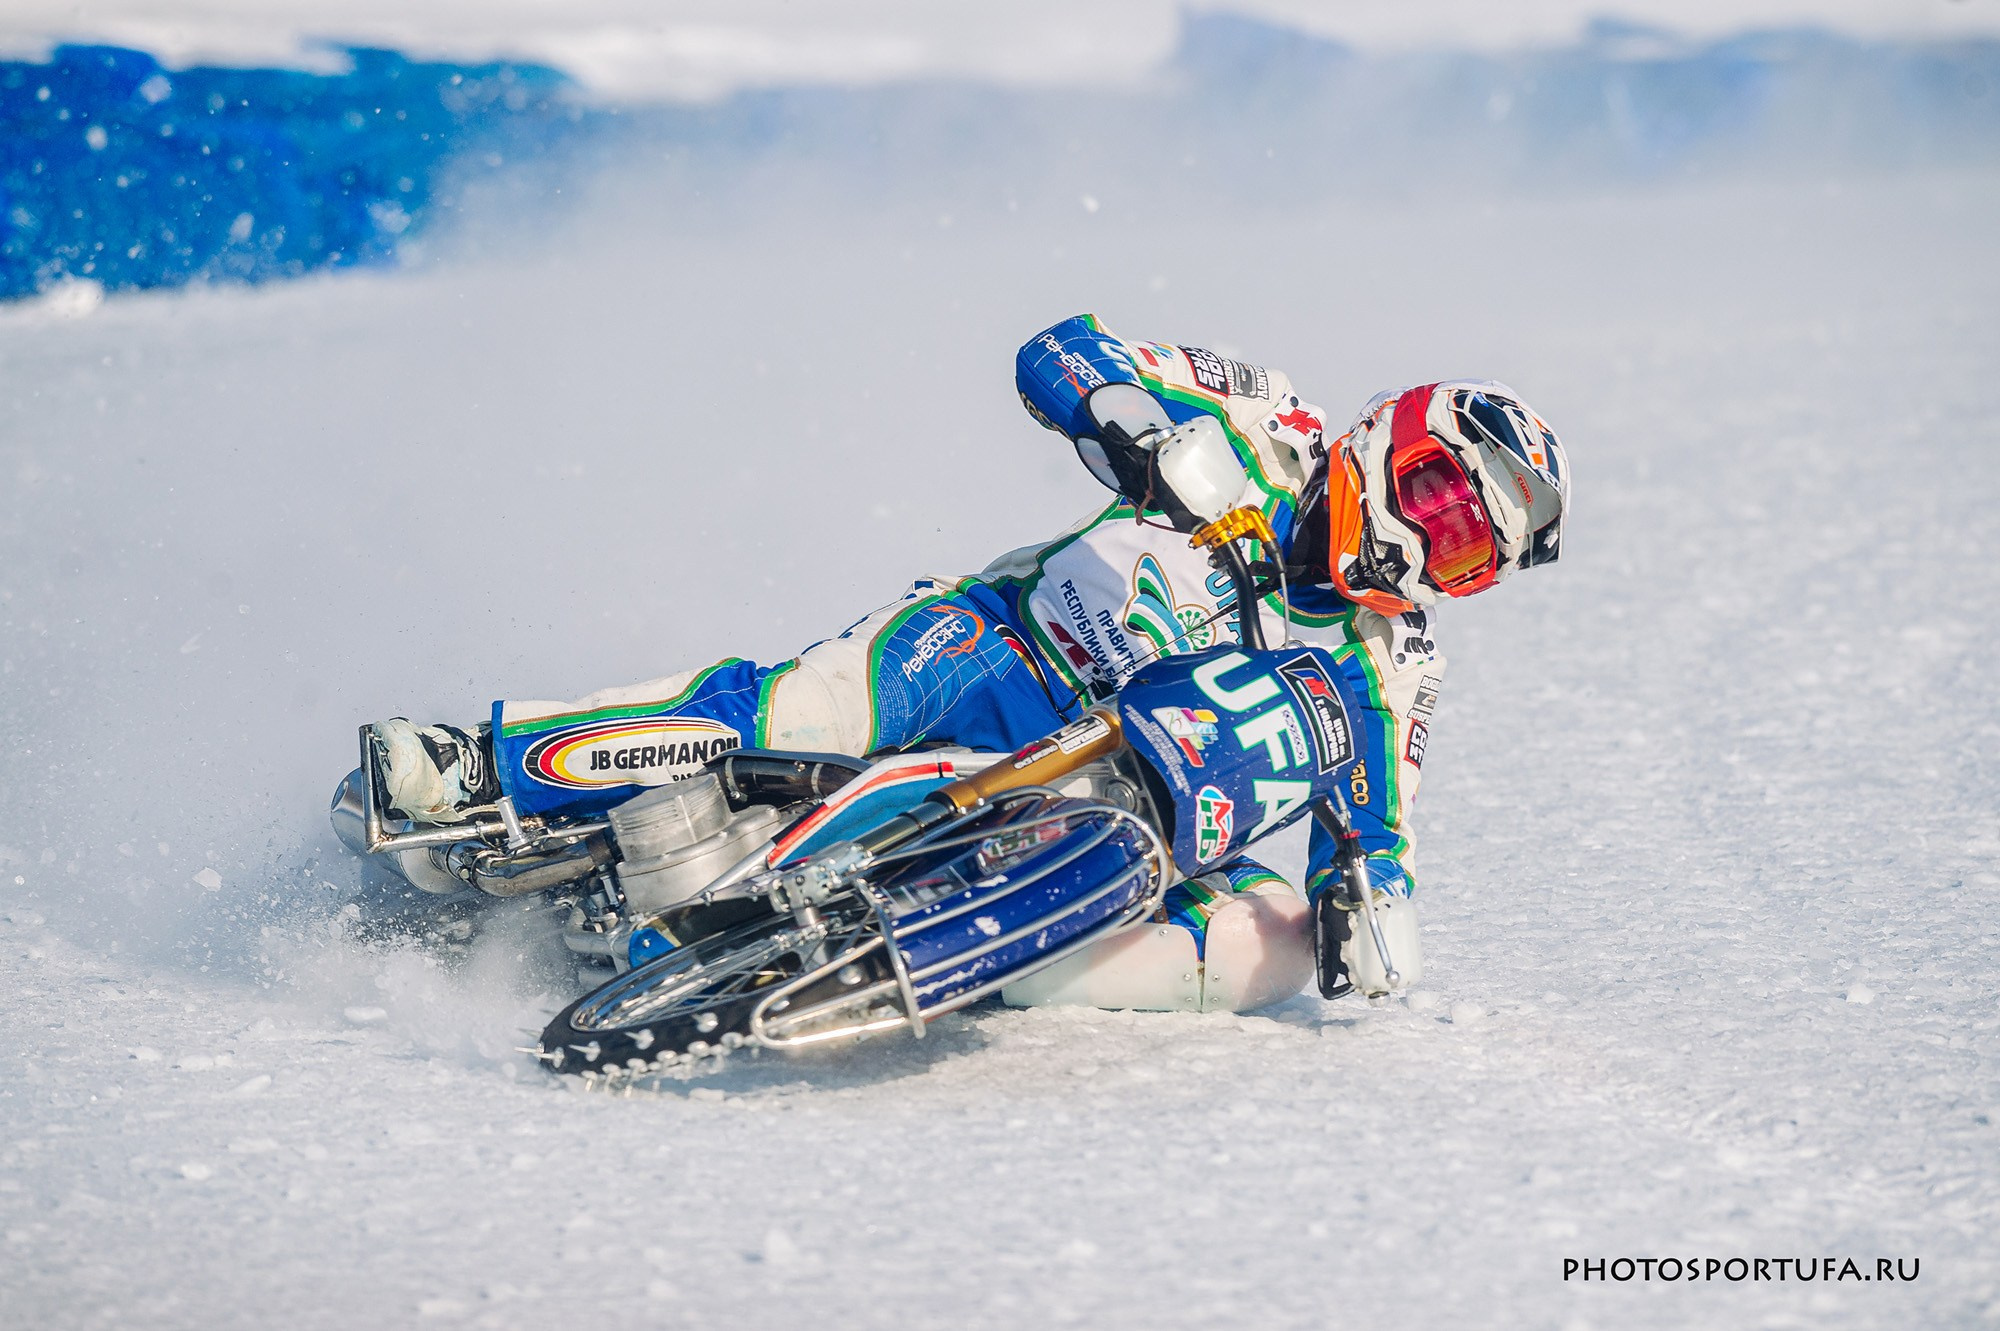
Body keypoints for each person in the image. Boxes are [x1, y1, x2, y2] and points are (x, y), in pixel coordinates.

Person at [370, 313, 1569, 1012]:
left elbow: (1376, 820)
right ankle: (481, 765)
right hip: (997, 644)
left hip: (1106, 794)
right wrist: (1144, 429)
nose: (1420, 551)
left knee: (1279, 933)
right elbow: (1064, 346)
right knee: (803, 707)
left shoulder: (1388, 661)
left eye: (1463, 557)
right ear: (1384, 437)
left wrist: (1370, 895)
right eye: (1435, 501)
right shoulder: (1267, 420)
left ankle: (981, 975)